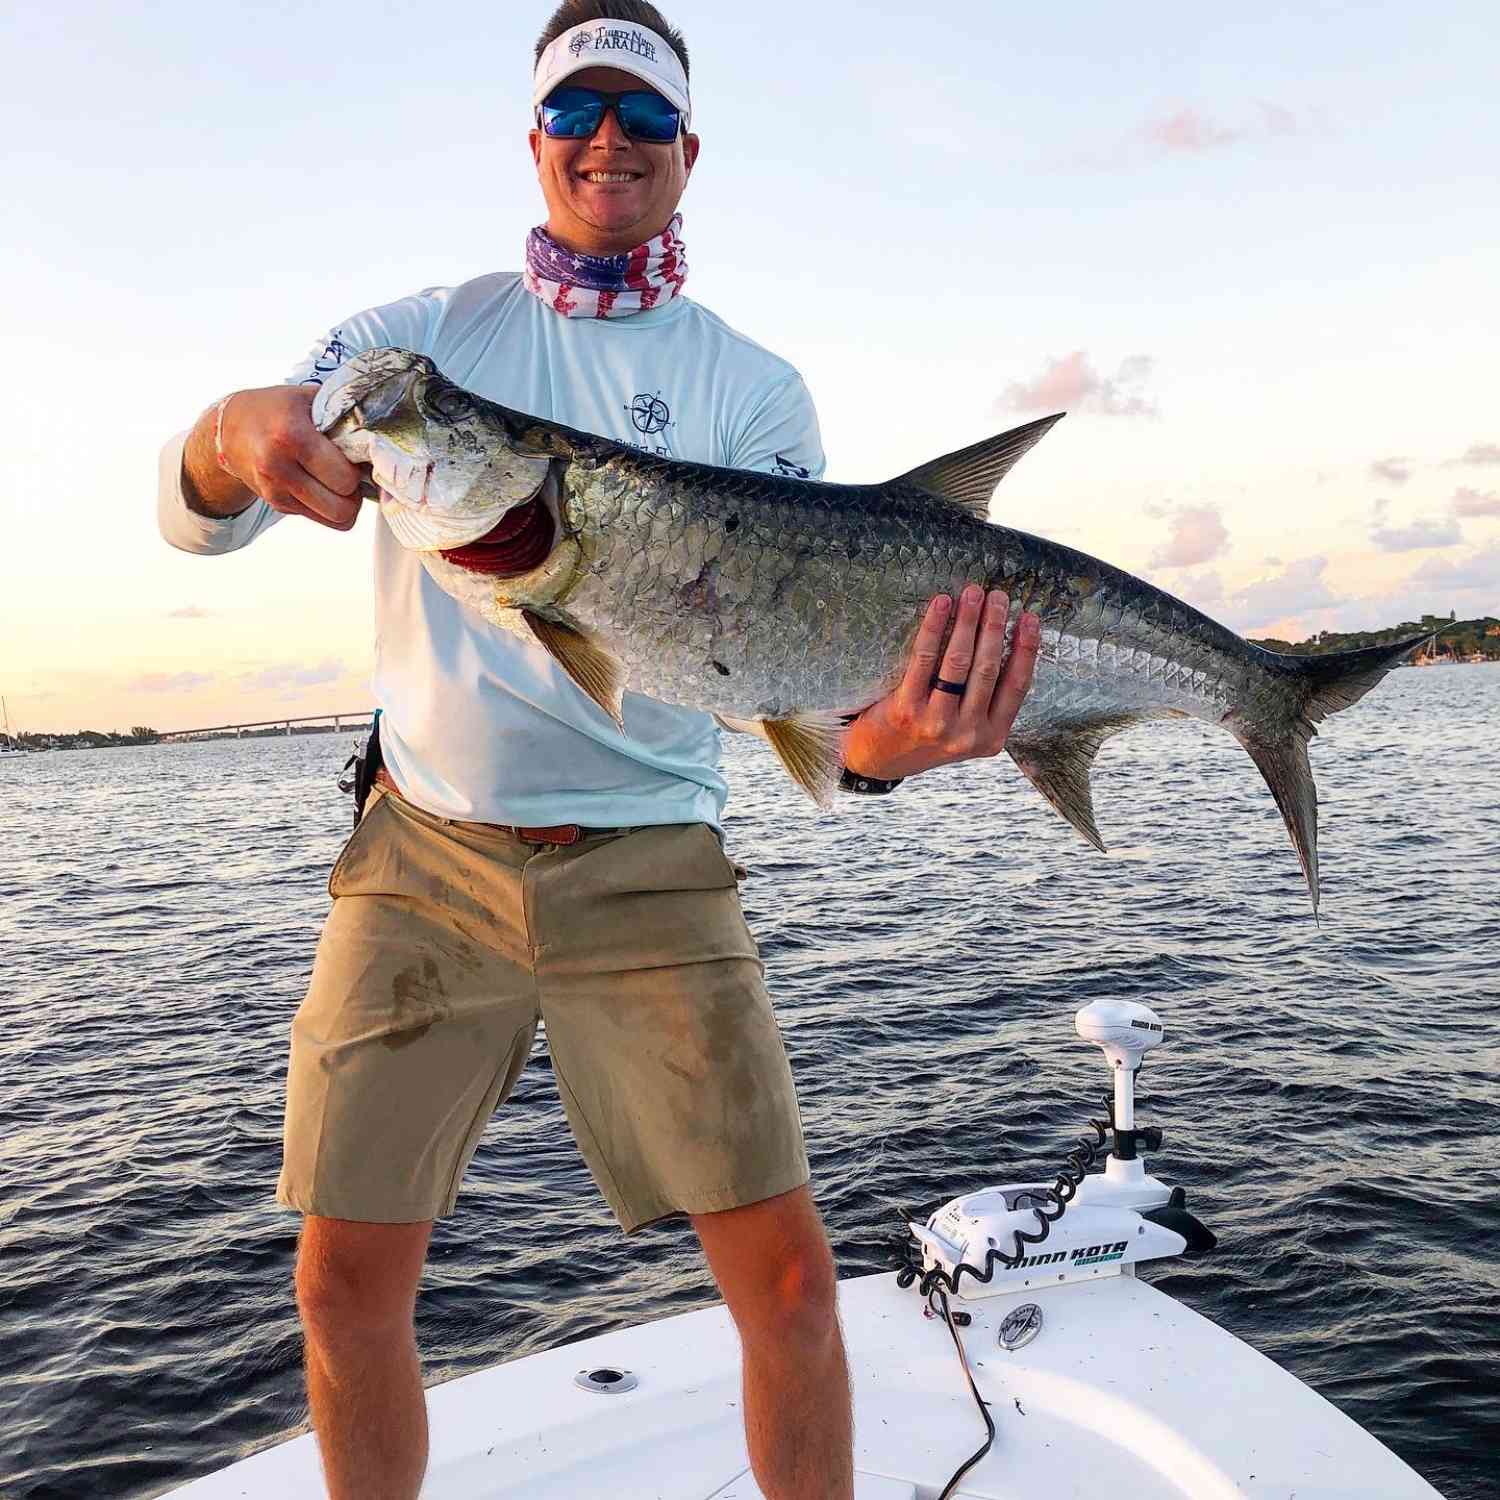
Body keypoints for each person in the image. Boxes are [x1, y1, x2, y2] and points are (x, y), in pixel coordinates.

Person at [156, 4, 1040, 1496]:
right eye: (576, 115)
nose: (607, 143)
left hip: (652, 864)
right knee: (337, 1285)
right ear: (535, 142)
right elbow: (200, 511)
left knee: (787, 1288)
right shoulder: (409, 346)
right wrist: (226, 429)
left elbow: (793, 686)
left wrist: (884, 751)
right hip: (421, 857)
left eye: (639, 118)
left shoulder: (753, 389)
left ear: (687, 150)